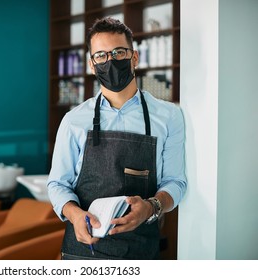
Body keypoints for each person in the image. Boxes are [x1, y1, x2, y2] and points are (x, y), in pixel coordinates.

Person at [47, 17, 187, 260]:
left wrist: (152, 207)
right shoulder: (74, 120)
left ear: (134, 57)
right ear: (92, 64)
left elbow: (176, 182)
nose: (109, 61)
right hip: (83, 251)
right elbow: (57, 184)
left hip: (141, 250)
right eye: (101, 55)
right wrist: (74, 214)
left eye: (118, 52)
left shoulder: (168, 116)